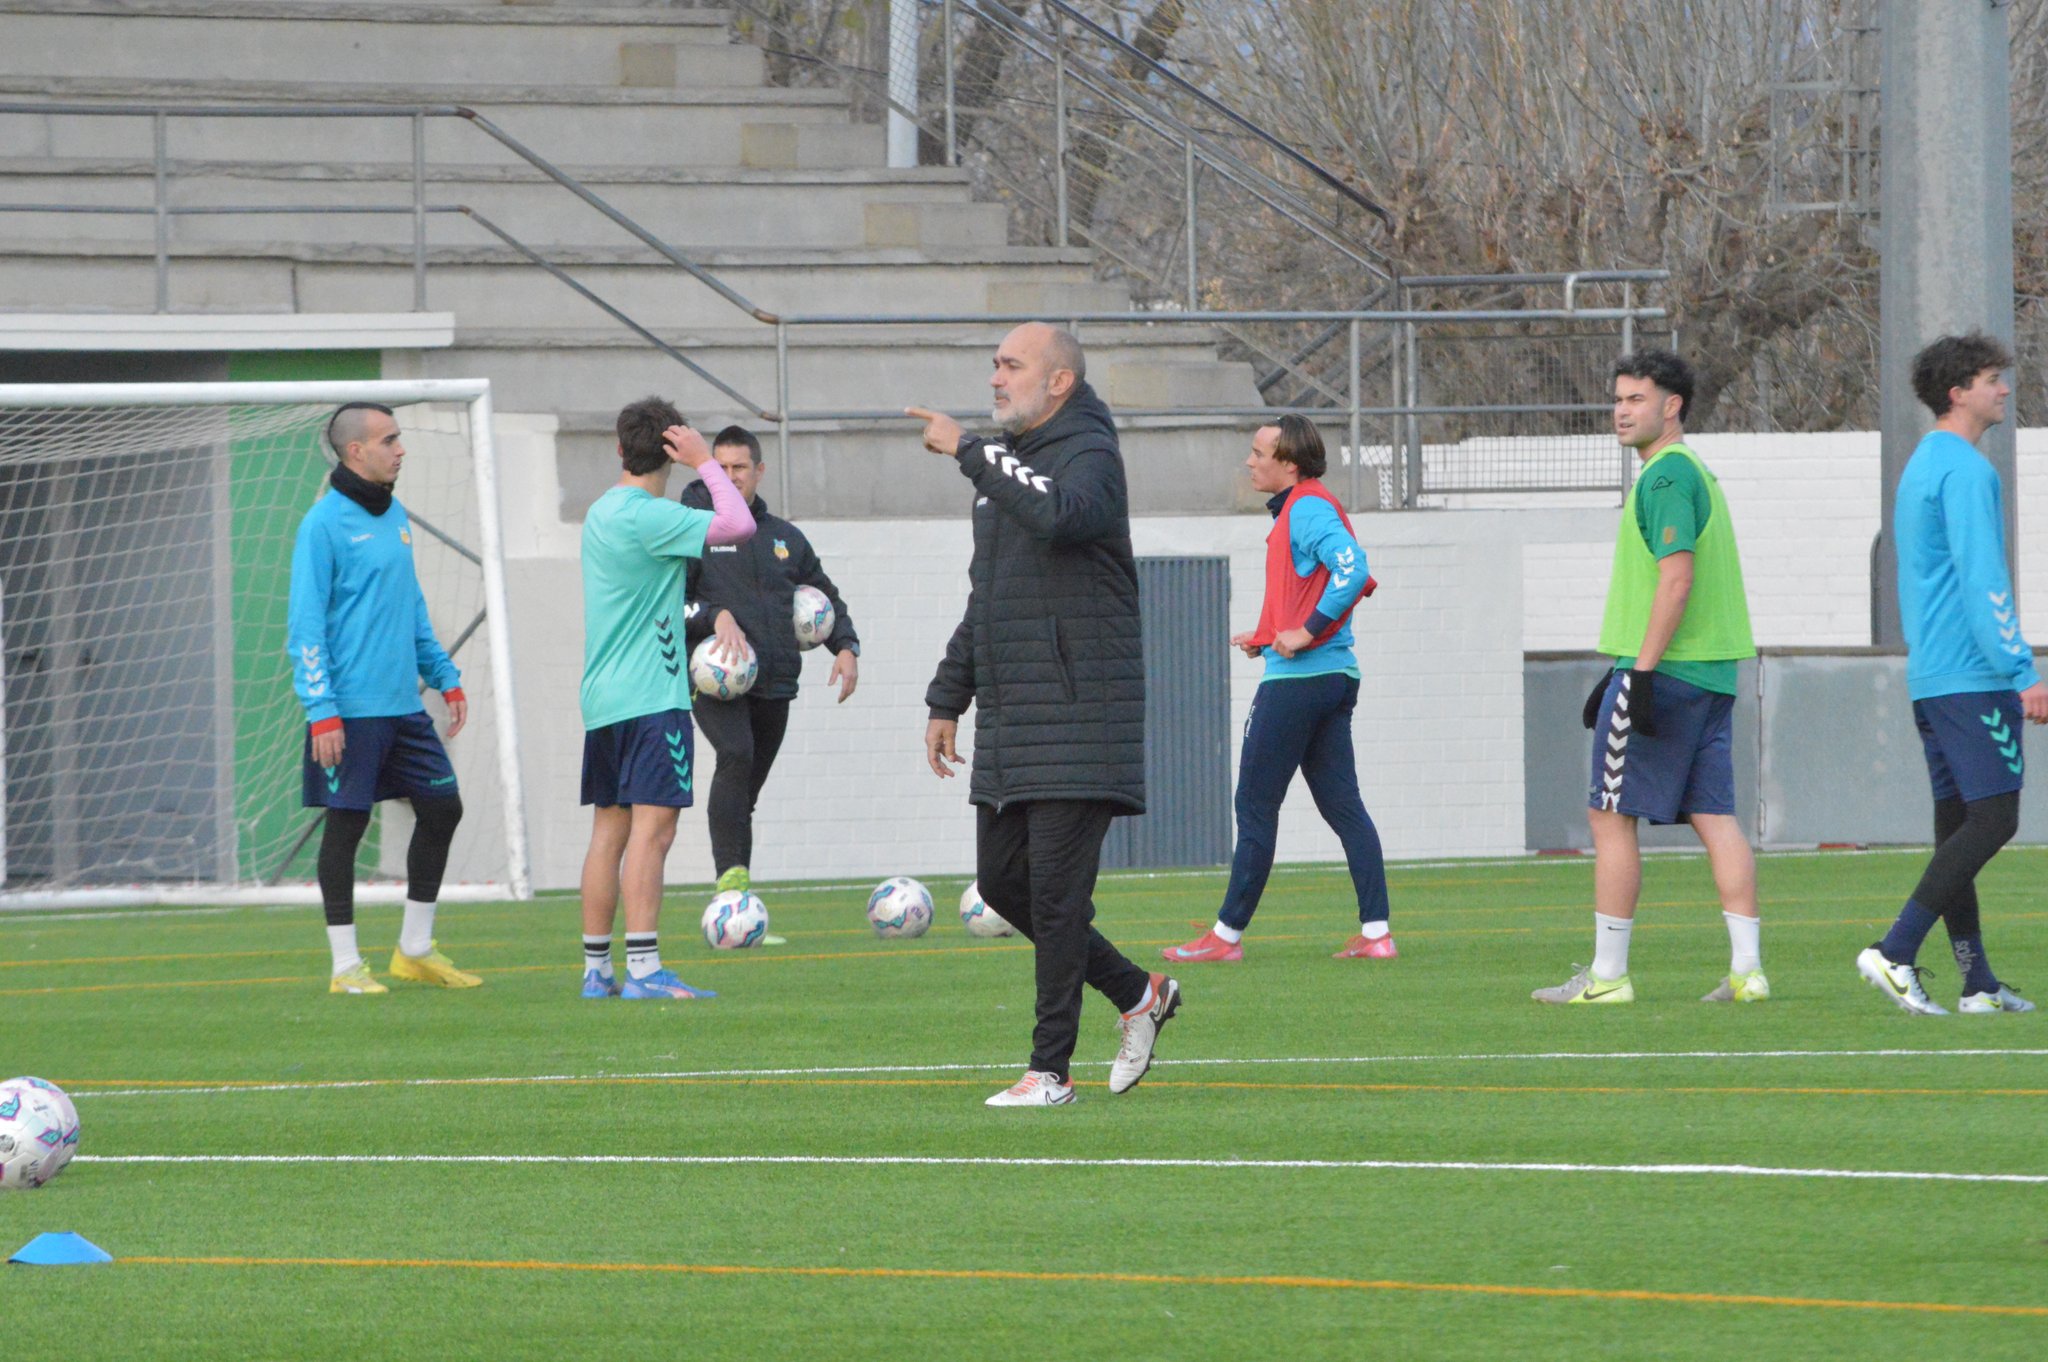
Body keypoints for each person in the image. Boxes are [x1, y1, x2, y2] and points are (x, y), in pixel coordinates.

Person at [909, 322, 1180, 1107]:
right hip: (1015, 718)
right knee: (1004, 886)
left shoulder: (1090, 451)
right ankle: (1139, 993)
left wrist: (969, 451)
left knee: (1059, 900)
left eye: (1012, 365)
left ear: (1059, 381)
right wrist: (948, 695)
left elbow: (1063, 514)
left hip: (1079, 711)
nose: (996, 378)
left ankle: (1049, 1071)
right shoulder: (1005, 471)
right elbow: (988, 597)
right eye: (993, 364)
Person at [1534, 349, 1764, 1005]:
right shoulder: (1697, 472)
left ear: (1673, 406)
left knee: (1609, 815)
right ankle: (1748, 972)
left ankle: (1608, 977)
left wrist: (1637, 673)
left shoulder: (1665, 476)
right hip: (1713, 674)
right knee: (1715, 815)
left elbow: (1677, 578)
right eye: (1618, 399)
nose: (1621, 410)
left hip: (1667, 673)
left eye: (1636, 399)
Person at [1858, 332, 2047, 1016]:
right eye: (1991, 379)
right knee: (1995, 818)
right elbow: (1983, 578)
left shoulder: (1923, 464)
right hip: (1973, 676)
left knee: (1959, 826)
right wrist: (2022, 670)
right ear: (1957, 392)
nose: (2003, 389)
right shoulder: (1967, 471)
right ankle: (1895, 950)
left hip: (1933, 676)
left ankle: (1978, 982)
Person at [1163, 416, 1391, 963]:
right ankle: (1377, 934)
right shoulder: (1304, 507)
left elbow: (1353, 570)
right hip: (1333, 678)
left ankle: (1225, 938)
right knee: (1344, 806)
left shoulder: (1307, 507)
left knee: (1255, 804)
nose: (1250, 461)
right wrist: (1269, 636)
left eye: (1259, 452)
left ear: (1289, 464)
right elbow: (1317, 585)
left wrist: (1304, 633)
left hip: (1299, 684)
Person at [288, 401, 477, 995]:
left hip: (403, 707)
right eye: (389, 440)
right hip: (349, 712)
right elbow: (305, 627)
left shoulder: (393, 513)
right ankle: (345, 967)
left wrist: (444, 674)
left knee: (443, 809)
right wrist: (322, 710)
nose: (401, 449)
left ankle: (414, 948)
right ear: (356, 451)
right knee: (347, 825)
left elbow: (410, 603)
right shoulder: (322, 524)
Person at [577, 398, 756, 1000]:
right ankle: (645, 970)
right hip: (651, 696)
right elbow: (738, 525)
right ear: (671, 452)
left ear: (619, 448)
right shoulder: (652, 517)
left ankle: (597, 971)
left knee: (609, 833)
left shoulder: (602, 510)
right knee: (653, 832)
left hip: (603, 698)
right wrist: (705, 462)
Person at [681, 426, 860, 908]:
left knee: (746, 794)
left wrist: (845, 646)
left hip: (775, 683)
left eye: (740, 467)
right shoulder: (694, 532)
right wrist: (713, 616)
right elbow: (670, 603)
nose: (731, 476)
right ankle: (728, 890)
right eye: (721, 468)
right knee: (735, 754)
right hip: (716, 679)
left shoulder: (786, 538)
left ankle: (738, 901)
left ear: (759, 470)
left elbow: (825, 595)